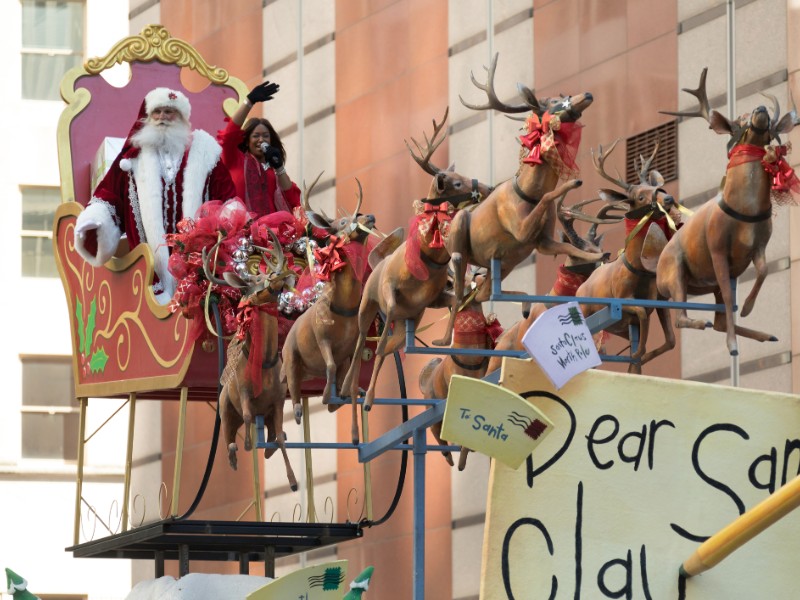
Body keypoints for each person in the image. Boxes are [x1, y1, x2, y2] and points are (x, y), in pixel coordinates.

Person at [74, 87, 236, 304]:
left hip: (198, 269)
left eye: (169, 112)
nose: (162, 118)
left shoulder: (205, 152)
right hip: (148, 274)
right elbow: (110, 196)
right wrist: (96, 218)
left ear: (182, 118)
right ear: (147, 117)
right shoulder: (133, 158)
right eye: (157, 112)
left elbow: (227, 198)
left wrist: (231, 222)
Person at [217, 80, 301, 216]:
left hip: (270, 233)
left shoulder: (273, 171)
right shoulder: (236, 160)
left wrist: (279, 167)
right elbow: (228, 136)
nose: (261, 140)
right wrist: (249, 102)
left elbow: (293, 201)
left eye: (265, 136)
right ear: (247, 140)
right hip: (239, 232)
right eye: (256, 136)